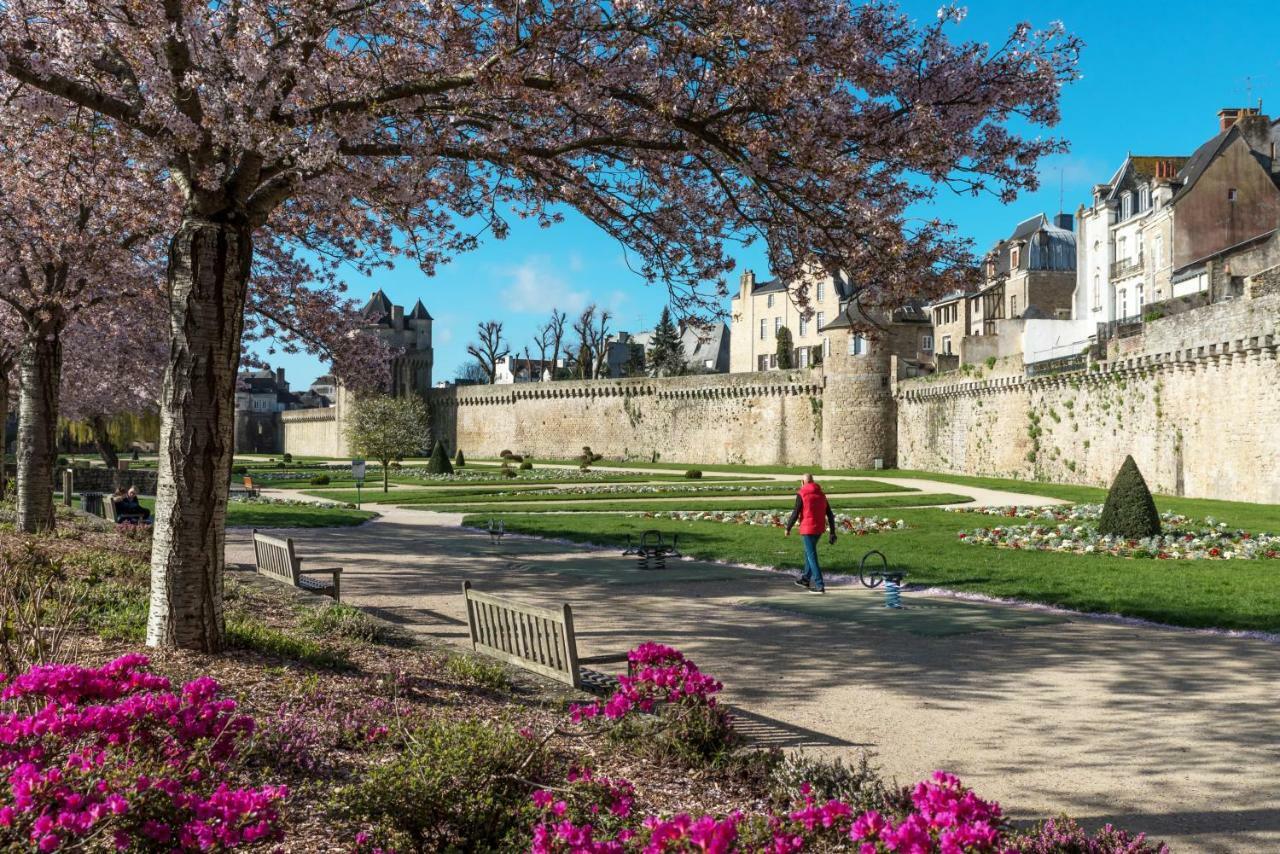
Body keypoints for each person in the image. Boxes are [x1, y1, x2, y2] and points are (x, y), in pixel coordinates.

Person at [784, 473, 837, 594]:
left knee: (812, 556)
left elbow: (795, 512)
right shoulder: (821, 494)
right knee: (809, 552)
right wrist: (832, 532)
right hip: (819, 529)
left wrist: (788, 528)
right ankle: (806, 579)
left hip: (808, 530)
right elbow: (829, 514)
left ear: (803, 482)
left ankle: (819, 585)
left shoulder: (801, 494)